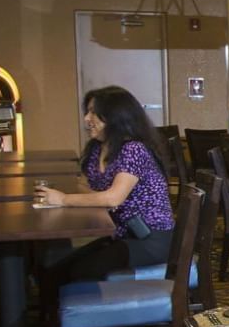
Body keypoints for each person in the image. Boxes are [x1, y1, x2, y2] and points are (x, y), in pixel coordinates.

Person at [36, 86, 176, 283]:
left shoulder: (134, 149)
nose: (86, 119)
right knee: (55, 265)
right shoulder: (97, 149)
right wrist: (77, 195)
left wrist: (63, 199)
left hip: (149, 238)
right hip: (120, 234)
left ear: (115, 117)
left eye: (94, 113)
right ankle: (54, 311)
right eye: (87, 112)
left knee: (79, 271)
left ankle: (84, 311)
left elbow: (112, 198)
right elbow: (87, 188)